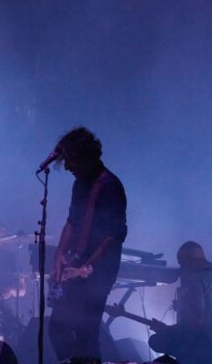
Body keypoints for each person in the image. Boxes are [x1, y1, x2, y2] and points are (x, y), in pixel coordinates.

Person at [47, 127, 127, 362]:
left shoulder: (110, 186)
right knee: (57, 327)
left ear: (84, 156)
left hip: (99, 270)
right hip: (77, 263)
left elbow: (113, 235)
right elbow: (72, 221)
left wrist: (86, 268)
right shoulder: (80, 184)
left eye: (70, 160)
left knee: (86, 331)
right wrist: (60, 255)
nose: (68, 167)